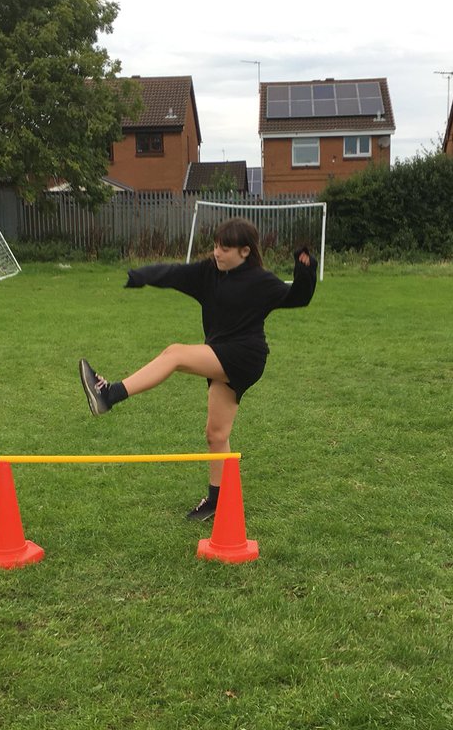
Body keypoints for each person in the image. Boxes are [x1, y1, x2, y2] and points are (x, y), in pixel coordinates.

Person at [78, 217, 318, 520]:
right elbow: (175, 273)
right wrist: (140, 275)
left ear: (245, 251)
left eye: (225, 248)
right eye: (216, 246)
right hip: (220, 355)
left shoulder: (261, 281)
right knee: (216, 435)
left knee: (175, 354)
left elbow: (298, 297)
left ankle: (109, 395)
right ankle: (217, 502)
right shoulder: (208, 273)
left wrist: (305, 268)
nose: (217, 253)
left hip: (245, 356)